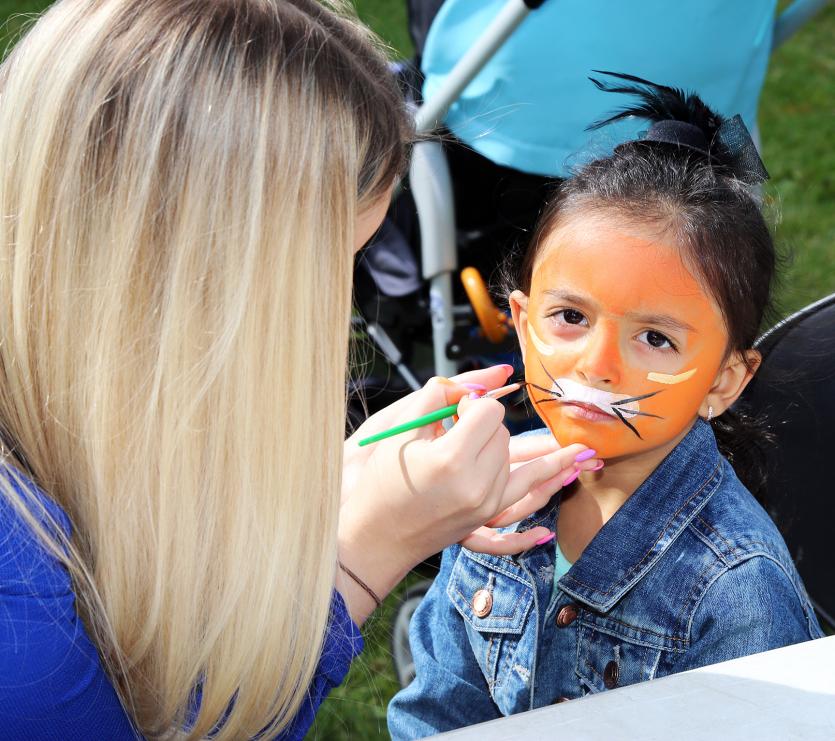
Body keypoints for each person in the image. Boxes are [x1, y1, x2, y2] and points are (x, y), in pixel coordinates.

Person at [0, 1, 603, 739]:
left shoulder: (59, 394)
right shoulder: (20, 624)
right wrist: (363, 553)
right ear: (181, 271)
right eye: (326, 265)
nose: (330, 310)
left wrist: (339, 488)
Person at [387, 74, 824, 738]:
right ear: (521, 321)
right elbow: (438, 709)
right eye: (568, 316)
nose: (597, 364)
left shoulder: (736, 593)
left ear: (722, 381)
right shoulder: (490, 493)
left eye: (653, 337)